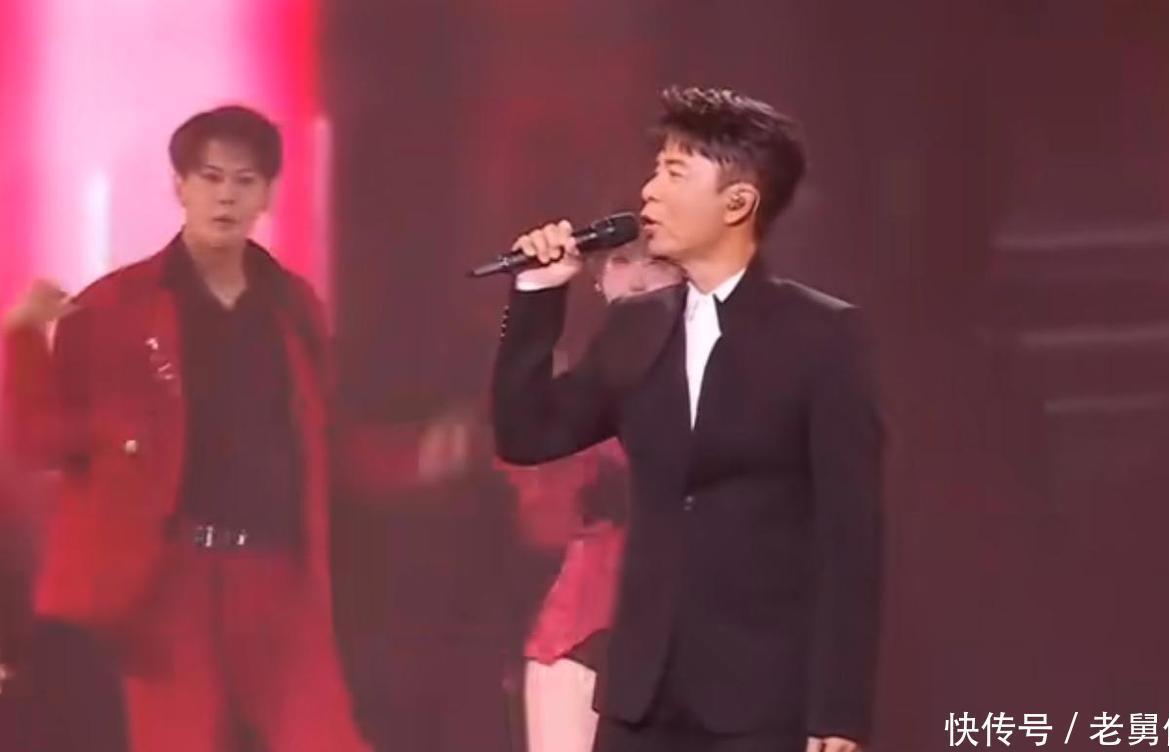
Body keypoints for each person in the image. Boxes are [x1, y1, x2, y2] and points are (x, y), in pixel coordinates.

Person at [1, 104, 462, 752]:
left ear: (268, 194)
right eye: (210, 177)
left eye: (245, 181)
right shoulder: (115, 305)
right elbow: (41, 438)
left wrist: (416, 459)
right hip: (170, 582)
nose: (226, 196)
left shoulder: (292, 306)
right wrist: (21, 337)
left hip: (274, 576)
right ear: (180, 186)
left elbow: (321, 444)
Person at [491, 86, 885, 752]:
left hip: (763, 701)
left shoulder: (821, 337)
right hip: (642, 699)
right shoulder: (636, 329)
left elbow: (851, 539)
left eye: (675, 173)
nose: (649, 192)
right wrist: (537, 295)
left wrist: (838, 711)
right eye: (656, 170)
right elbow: (528, 434)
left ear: (738, 203)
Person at [512, 244, 682, 752]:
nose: (638, 281)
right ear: (598, 275)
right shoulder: (572, 382)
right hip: (584, 635)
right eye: (622, 262)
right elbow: (541, 520)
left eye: (657, 264)